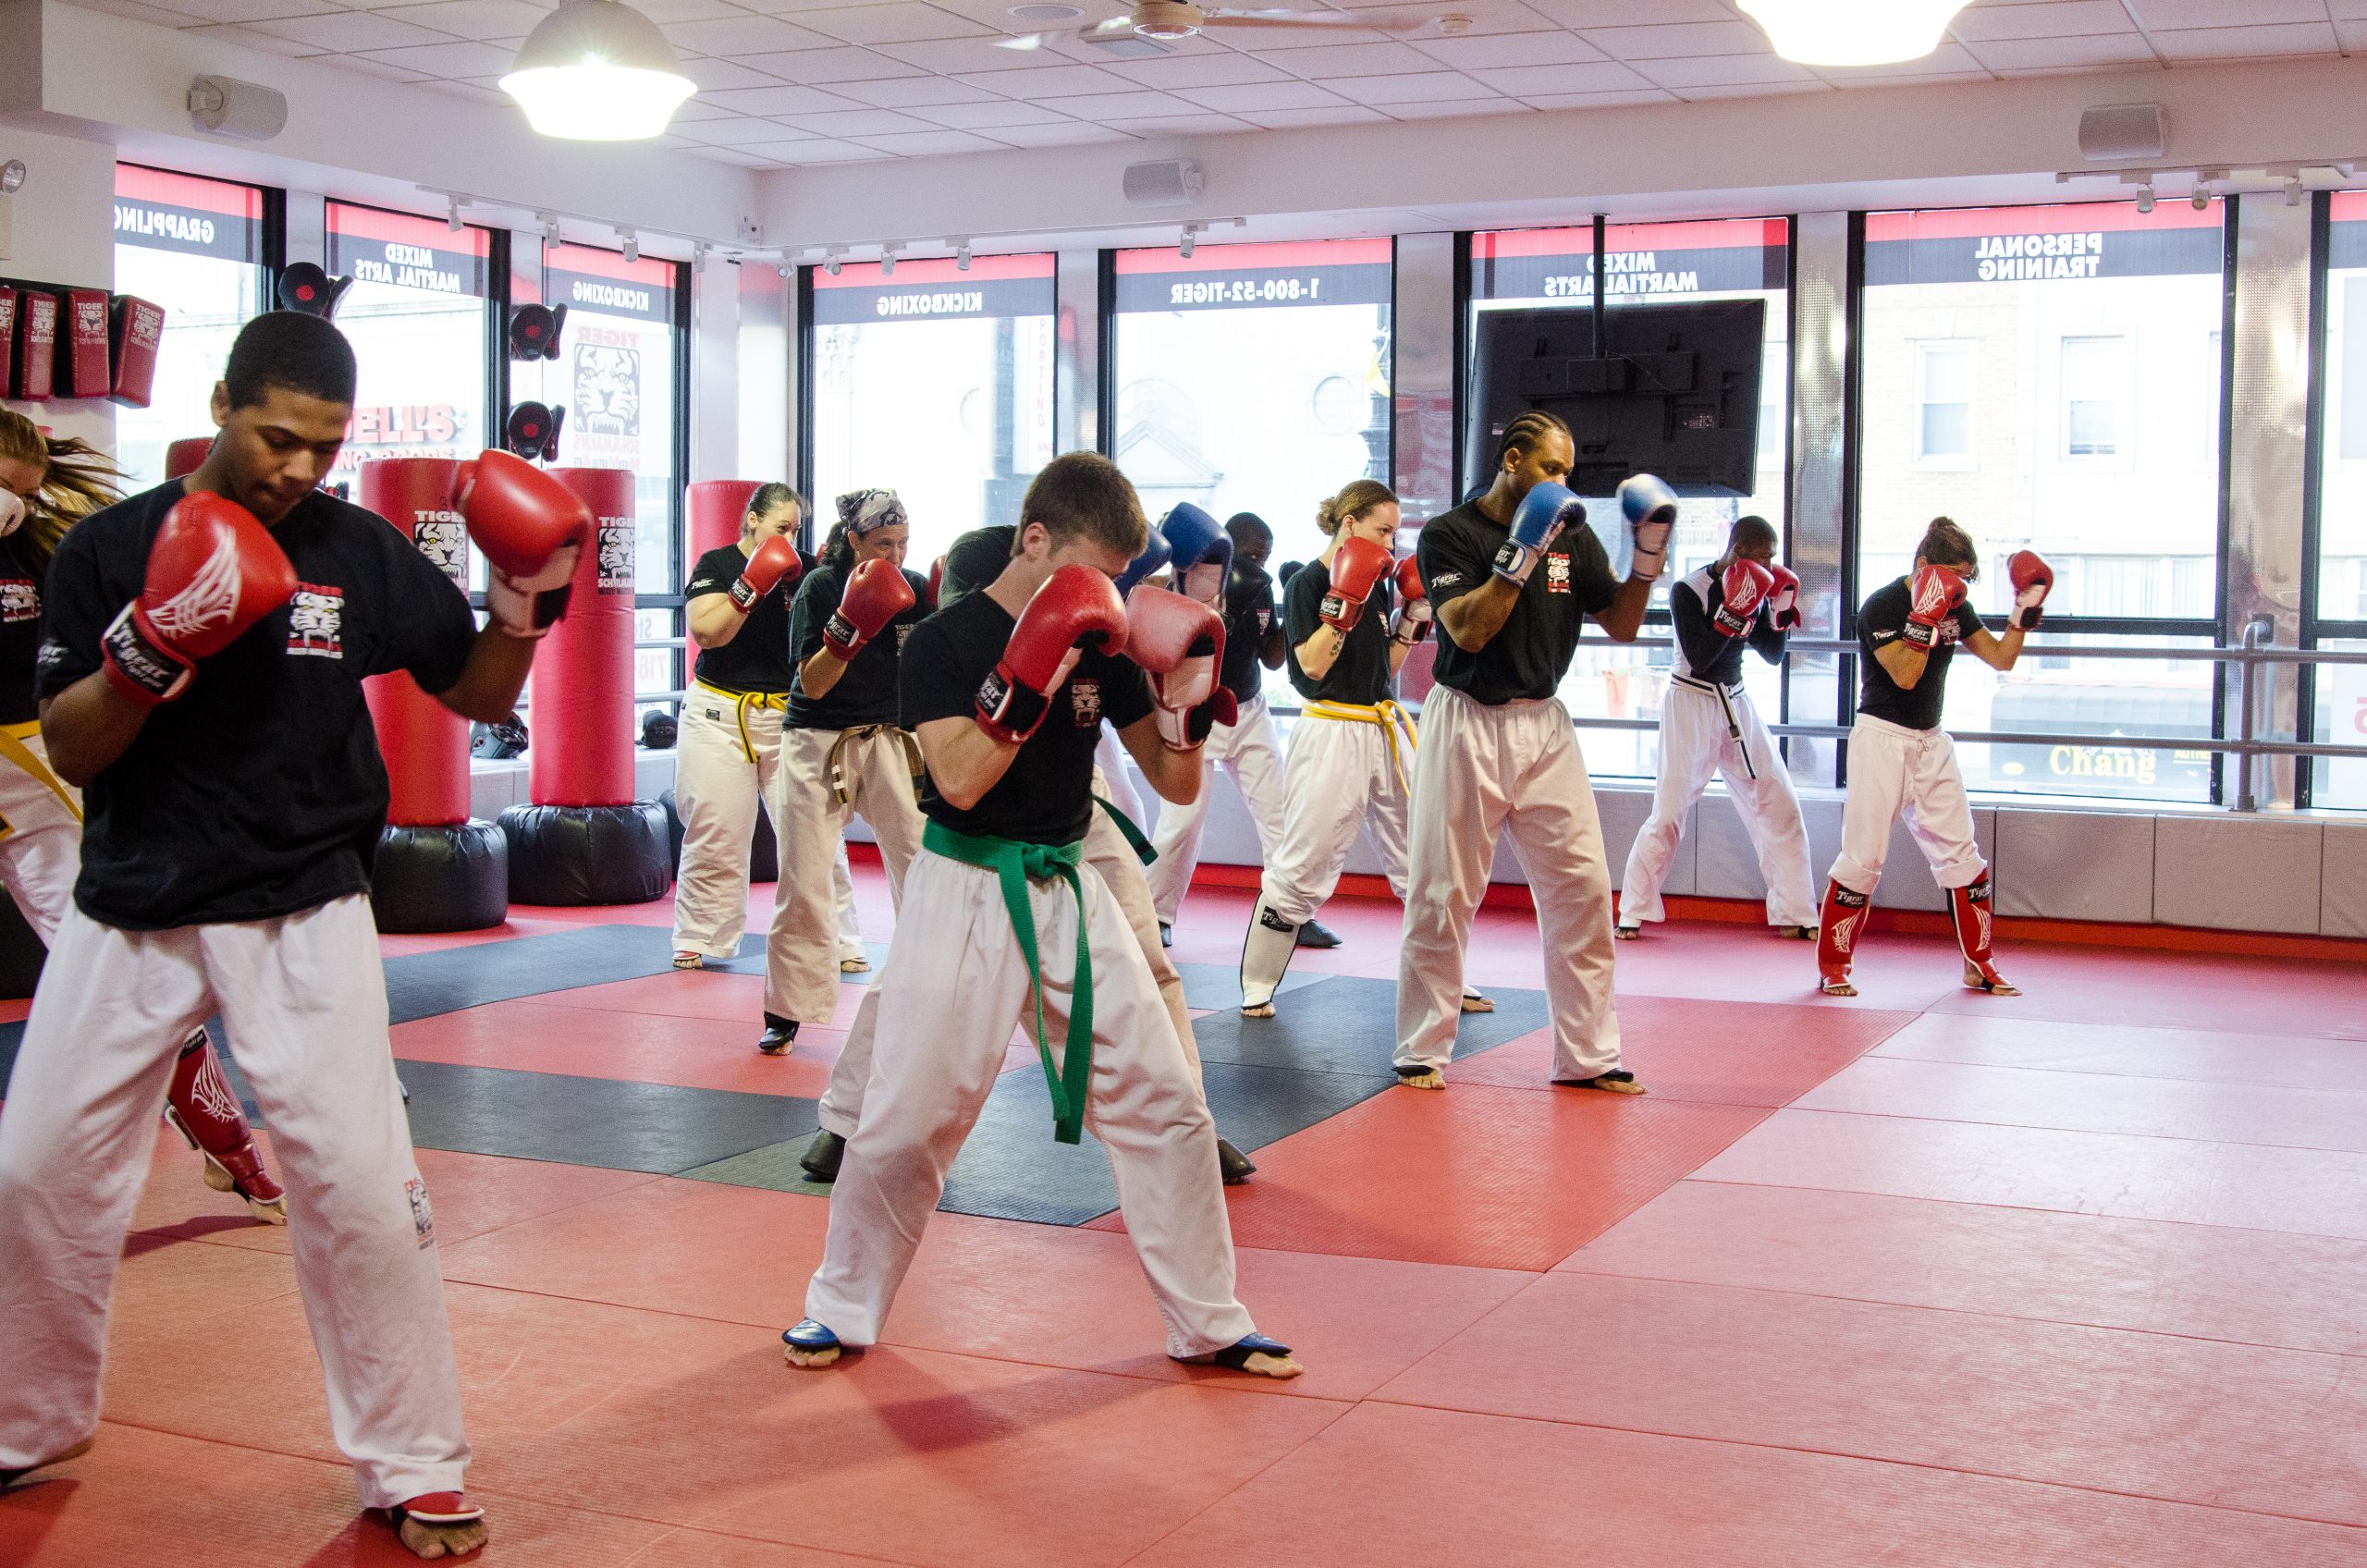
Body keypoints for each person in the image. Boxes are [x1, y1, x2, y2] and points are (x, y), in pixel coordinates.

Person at [0, 312, 589, 1560]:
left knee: (365, 1192)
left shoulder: (353, 551)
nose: (297, 471)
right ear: (220, 405)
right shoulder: (107, 549)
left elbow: (474, 691)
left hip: (305, 901)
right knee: (32, 1169)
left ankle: (414, 1464)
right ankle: (24, 1421)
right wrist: (159, 642)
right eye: (276, 440)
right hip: (136, 902)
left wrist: (528, 602)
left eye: (323, 448)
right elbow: (70, 743)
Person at [781, 452, 1296, 1378]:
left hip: (1069, 887)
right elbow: (962, 781)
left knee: (1169, 1103)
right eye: (1092, 571)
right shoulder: (943, 643)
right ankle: (841, 1305)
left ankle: (1210, 1320)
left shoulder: (1106, 638)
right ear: (1034, 541)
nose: (1105, 592)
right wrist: (1036, 667)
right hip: (964, 889)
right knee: (904, 1122)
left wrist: (1190, 712)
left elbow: (1174, 786)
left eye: (1116, 578)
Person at [799, 516, 1259, 1187]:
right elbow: (954, 758)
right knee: (916, 977)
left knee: (1149, 961)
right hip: (978, 815)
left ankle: (1188, 1121)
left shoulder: (1100, 623)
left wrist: (1181, 706)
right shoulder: (967, 609)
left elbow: (1174, 776)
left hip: (1073, 807)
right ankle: (846, 1117)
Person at [0, 411, 284, 1222]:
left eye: (24, 494)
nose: (12, 507)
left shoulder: (37, 551)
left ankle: (229, 1149)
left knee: (119, 965)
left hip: (25, 768)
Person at [1393, 410, 1663, 1093]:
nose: (1562, 482)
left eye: (1567, 470)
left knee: (1580, 890)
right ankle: (1422, 1047)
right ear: (1512, 459)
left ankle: (1589, 1056)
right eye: (1550, 467)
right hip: (1466, 720)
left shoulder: (1573, 534)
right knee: (1443, 890)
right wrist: (1522, 552)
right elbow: (1470, 631)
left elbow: (1624, 625)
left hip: (1546, 724)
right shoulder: (1451, 535)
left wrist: (1646, 556)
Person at [1818, 518, 2051, 998]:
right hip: (1881, 740)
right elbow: (1904, 675)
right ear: (1923, 564)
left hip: (1931, 741)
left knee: (1962, 855)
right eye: (1950, 576)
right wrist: (1924, 616)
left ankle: (1979, 964)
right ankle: (1834, 965)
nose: (1955, 588)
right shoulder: (1881, 606)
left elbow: (2002, 658)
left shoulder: (1956, 604)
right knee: (1864, 857)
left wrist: (2023, 611)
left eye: (1964, 580)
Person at [1237, 480, 1423, 1017]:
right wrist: (1344, 600)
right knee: (1305, 861)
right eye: (1382, 530)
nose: (1391, 544)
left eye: (1395, 531)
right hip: (1329, 729)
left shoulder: (1383, 584)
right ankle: (1257, 981)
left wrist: (1410, 619)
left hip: (1382, 727)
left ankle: (1446, 979)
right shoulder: (1307, 584)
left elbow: (1383, 670)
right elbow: (1312, 667)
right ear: (1349, 524)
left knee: (1422, 859)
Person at [759, 489, 929, 1055]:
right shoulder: (821, 587)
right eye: (884, 543)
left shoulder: (917, 591)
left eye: (904, 542)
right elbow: (813, 682)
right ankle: (787, 1009)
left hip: (891, 738)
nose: (897, 554)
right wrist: (851, 627)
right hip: (817, 738)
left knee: (923, 867)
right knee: (805, 876)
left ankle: (927, 994)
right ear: (852, 538)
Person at [1616, 514, 1817, 940]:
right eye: (1763, 555)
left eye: (1773, 557)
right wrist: (1733, 610)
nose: (1769, 563)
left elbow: (1772, 654)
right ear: (1739, 550)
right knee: (1669, 812)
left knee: (1778, 801)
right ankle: (1633, 908)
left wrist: (1778, 612)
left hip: (1736, 701)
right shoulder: (1688, 590)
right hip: (1690, 700)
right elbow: (1701, 657)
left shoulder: (1759, 584)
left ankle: (1796, 911)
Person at [1143, 511, 1288, 949]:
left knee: (1279, 814)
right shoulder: (1176, 591)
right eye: (1252, 556)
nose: (1255, 565)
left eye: (1262, 558)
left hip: (1249, 708)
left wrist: (1301, 613)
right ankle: (1156, 914)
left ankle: (1289, 911)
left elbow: (1273, 657)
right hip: (1195, 707)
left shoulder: (1260, 588)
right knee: (1183, 820)